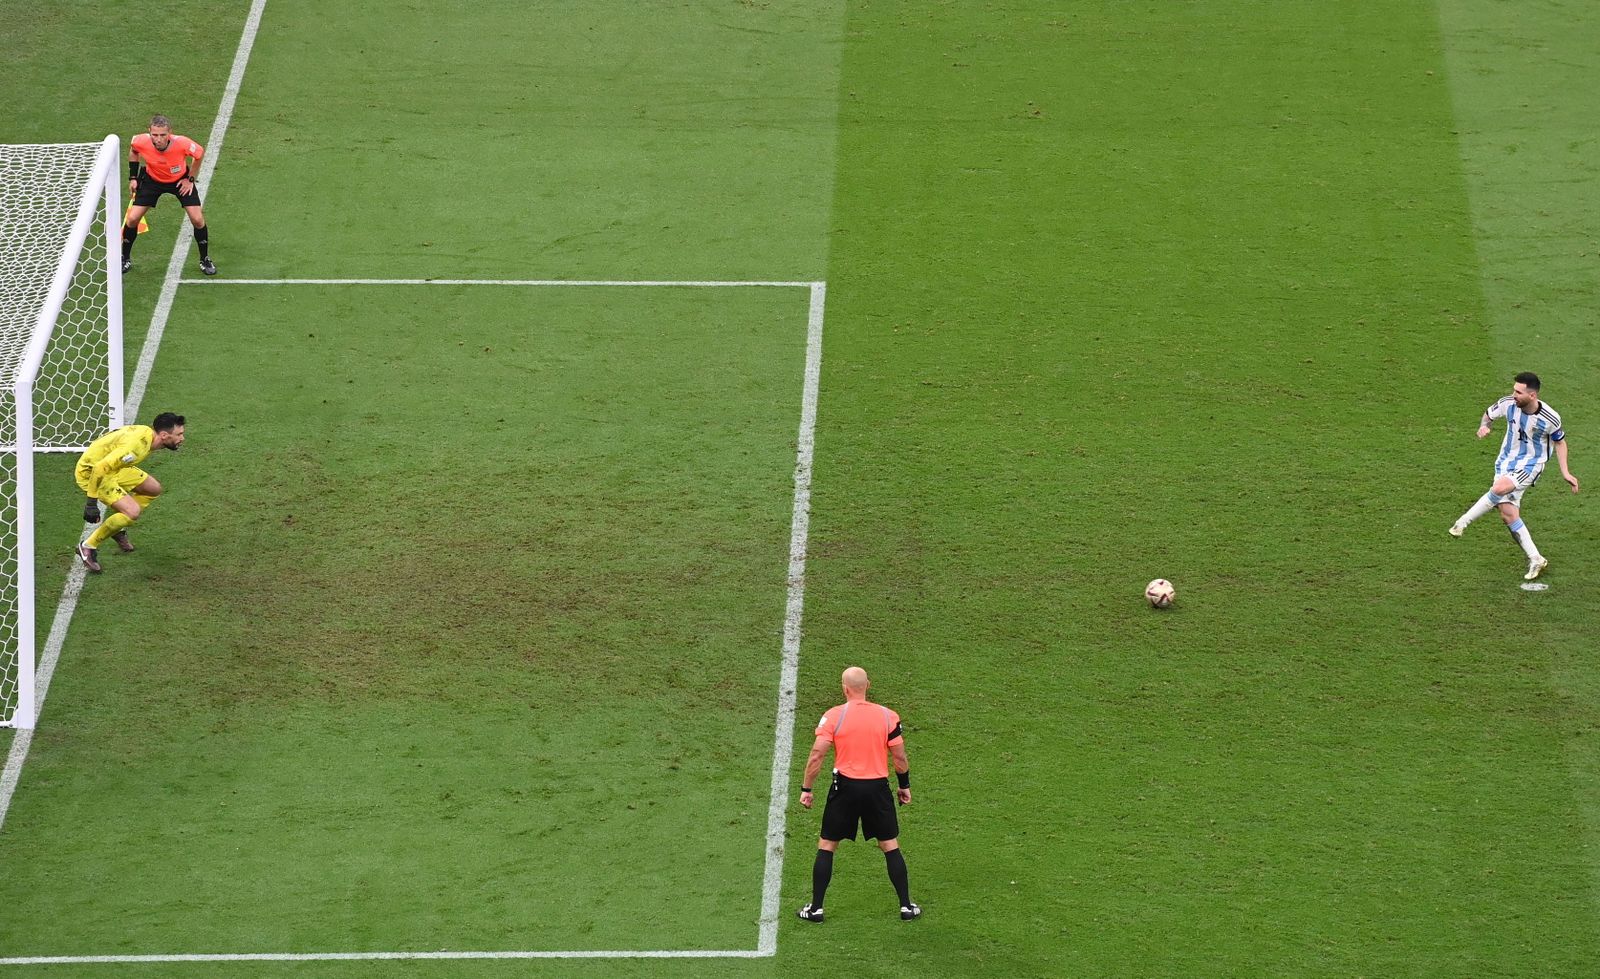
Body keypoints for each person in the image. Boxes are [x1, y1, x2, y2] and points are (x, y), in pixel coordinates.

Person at [796, 666, 920, 923]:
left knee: (827, 845)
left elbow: (817, 755)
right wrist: (904, 785)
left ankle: (816, 909)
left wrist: (807, 789)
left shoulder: (833, 716)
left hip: (845, 788)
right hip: (877, 789)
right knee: (889, 845)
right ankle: (906, 906)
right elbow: (899, 756)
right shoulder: (888, 716)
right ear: (868, 685)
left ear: (844, 688)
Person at [1450, 372, 1578, 580]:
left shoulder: (1550, 418)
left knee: (1499, 488)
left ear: (1532, 395)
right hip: (1505, 462)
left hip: (1531, 465)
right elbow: (1488, 415)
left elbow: (1560, 442)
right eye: (1514, 390)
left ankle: (1462, 522)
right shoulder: (1508, 403)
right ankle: (1536, 558)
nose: (1514, 395)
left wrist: (1565, 472)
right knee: (1508, 514)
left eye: (1518, 392)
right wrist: (1484, 426)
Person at [74, 413, 187, 574]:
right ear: (163, 435)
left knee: (153, 489)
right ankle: (87, 546)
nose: (182, 438)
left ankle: (118, 527)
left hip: (115, 468)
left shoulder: (148, 435)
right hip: (93, 473)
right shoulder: (136, 447)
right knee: (132, 512)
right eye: (179, 434)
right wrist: (91, 503)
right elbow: (100, 468)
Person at [123, 115, 216, 276]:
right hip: (152, 181)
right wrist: (133, 177)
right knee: (132, 219)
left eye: (163, 135)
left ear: (170, 133)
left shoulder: (182, 143)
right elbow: (133, 151)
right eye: (155, 135)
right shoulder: (140, 141)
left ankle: (205, 259)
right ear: (149, 132)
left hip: (179, 180)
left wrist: (190, 179)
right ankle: (124, 258)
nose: (158, 139)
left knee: (197, 219)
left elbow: (199, 155)